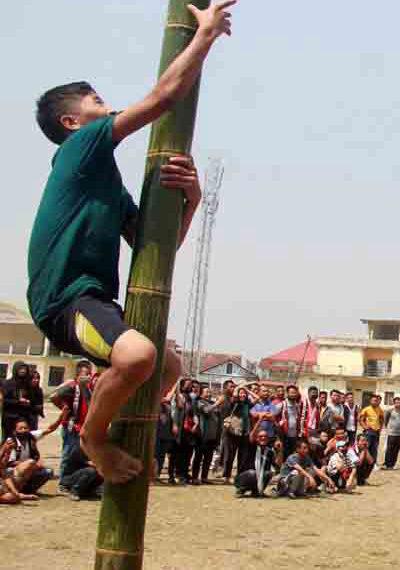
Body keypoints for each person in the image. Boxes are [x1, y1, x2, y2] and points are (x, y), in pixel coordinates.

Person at [26, 3, 235, 485]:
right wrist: (203, 37)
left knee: (168, 368)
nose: (104, 103)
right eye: (94, 100)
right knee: (139, 357)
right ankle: (92, 439)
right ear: (72, 123)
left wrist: (192, 200)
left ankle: (113, 434)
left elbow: (153, 249)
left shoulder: (106, 182)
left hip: (93, 297)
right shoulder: (78, 150)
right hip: (64, 299)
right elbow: (162, 98)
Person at [50, 360, 94, 490]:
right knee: (68, 453)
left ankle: (75, 480)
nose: (87, 376)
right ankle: (63, 482)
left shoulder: (89, 388)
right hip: (72, 425)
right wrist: (64, 408)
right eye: (85, 374)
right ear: (78, 374)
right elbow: (54, 396)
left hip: (84, 426)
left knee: (82, 455)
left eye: (89, 373)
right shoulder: (71, 386)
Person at [4, 419, 53, 495]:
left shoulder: (31, 436)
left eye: (25, 428)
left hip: (28, 467)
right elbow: (10, 462)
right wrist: (32, 465)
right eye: (20, 428)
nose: (23, 430)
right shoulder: (11, 441)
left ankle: (28, 490)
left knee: (48, 472)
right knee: (30, 464)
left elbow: (50, 429)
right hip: (12, 470)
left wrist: (62, 416)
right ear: (14, 431)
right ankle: (15, 490)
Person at [220, 386, 254, 483]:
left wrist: (247, 390)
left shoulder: (248, 404)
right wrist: (239, 388)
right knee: (229, 456)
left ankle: (240, 476)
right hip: (232, 431)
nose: (242, 395)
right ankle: (226, 476)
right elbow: (234, 395)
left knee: (242, 457)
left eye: (244, 393)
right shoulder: (234, 402)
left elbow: (257, 398)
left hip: (244, 433)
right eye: (241, 393)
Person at [191, 383, 223, 485]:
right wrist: (217, 403)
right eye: (207, 392)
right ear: (201, 393)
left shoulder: (211, 402)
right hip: (202, 435)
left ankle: (204, 477)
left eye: (210, 392)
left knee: (208, 458)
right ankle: (195, 477)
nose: (209, 393)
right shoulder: (199, 402)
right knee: (198, 457)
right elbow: (206, 411)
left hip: (212, 436)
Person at [234, 427, 278, 498]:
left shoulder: (269, 452)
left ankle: (257, 491)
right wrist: (259, 420)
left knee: (268, 473)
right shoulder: (252, 447)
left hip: (258, 477)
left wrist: (279, 451)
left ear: (268, 439)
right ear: (256, 438)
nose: (263, 438)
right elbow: (251, 436)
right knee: (252, 473)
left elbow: (277, 465)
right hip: (244, 477)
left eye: (265, 436)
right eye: (260, 436)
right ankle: (241, 490)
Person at [1, 362, 34, 440]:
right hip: (10, 417)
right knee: (8, 440)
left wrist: (29, 403)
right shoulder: (7, 383)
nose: (23, 371)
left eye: (24, 369)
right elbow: (4, 400)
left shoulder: (28, 384)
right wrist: (18, 401)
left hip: (24, 417)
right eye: (20, 369)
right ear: (15, 370)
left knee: (23, 439)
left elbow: (33, 400)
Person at [0, 438, 38, 504]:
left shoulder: (6, 455)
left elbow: (5, 476)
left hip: (3, 481)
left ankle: (17, 494)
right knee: (11, 497)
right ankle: (20, 495)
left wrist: (15, 492)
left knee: (13, 497)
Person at [275, 385, 305, 455]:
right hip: (284, 436)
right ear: (287, 394)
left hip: (294, 436)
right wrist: (278, 424)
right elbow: (271, 414)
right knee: (283, 455)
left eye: (295, 393)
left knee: (292, 455)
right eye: (291, 393)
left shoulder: (297, 406)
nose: (293, 395)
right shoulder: (282, 404)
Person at [359, 394, 384, 466]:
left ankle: (373, 463)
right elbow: (361, 420)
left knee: (375, 448)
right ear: (370, 401)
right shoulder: (366, 409)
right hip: (368, 432)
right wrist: (365, 427)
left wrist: (380, 428)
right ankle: (364, 462)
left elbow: (382, 419)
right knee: (366, 447)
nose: (375, 402)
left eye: (376, 401)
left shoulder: (380, 410)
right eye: (373, 400)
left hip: (376, 432)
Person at [382, 396, 400, 469]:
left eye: (399, 402)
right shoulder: (389, 411)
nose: (398, 404)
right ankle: (387, 464)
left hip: (399, 434)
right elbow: (386, 421)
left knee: (396, 449)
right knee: (389, 449)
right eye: (396, 402)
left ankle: (393, 464)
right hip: (391, 433)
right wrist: (388, 429)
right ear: (394, 403)